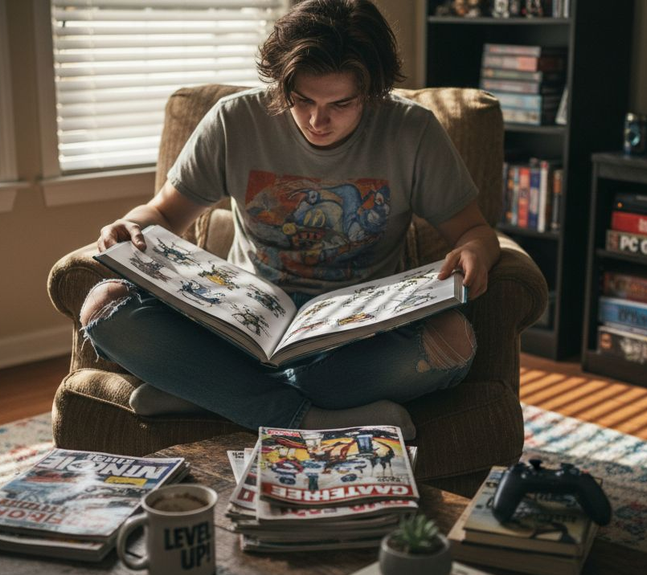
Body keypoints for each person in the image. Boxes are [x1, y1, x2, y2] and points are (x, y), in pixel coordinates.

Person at [78, 0, 500, 440]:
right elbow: (164, 213)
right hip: (240, 330)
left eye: (341, 103)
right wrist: (131, 224)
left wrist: (474, 251)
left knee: (455, 341)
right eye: (302, 100)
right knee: (104, 305)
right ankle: (305, 416)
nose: (318, 120)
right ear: (282, 84)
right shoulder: (234, 120)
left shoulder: (413, 132)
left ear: (372, 92)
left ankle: (209, 389)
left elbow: (475, 232)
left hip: (352, 340)